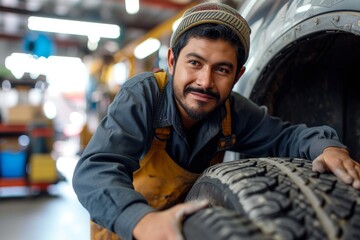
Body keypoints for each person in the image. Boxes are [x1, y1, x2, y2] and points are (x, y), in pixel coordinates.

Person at [72, 2, 360, 240]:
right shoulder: (144, 95)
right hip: (124, 227)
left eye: (222, 69)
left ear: (238, 75)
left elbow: (286, 136)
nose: (205, 82)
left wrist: (327, 148)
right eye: (194, 63)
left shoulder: (234, 112)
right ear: (172, 61)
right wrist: (141, 221)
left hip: (183, 227)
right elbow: (95, 169)